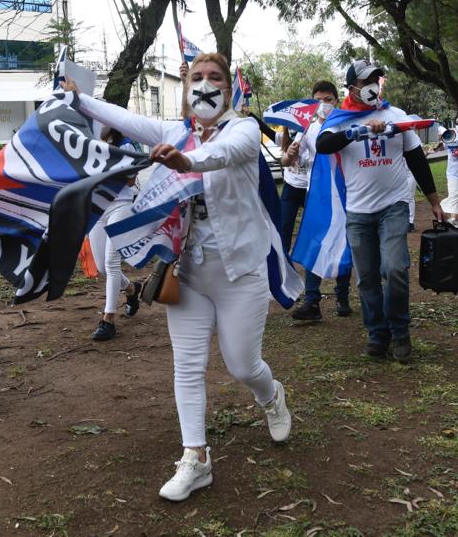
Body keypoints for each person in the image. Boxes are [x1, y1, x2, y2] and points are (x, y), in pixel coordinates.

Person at [63, 53, 291, 502]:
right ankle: (196, 458)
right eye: (196, 78)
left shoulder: (242, 128)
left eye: (215, 78)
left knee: (243, 364)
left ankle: (271, 397)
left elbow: (222, 154)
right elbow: (124, 117)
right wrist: (80, 99)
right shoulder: (173, 131)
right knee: (187, 366)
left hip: (240, 271)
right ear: (186, 88)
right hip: (185, 271)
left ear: (229, 89)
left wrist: (186, 163)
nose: (205, 84)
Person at [315, 61, 445, 361]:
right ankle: (377, 332)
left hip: (394, 206)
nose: (374, 84)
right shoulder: (340, 119)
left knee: (395, 269)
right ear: (352, 88)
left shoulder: (395, 116)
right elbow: (324, 144)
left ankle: (400, 330)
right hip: (358, 212)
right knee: (368, 277)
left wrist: (434, 201)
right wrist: (356, 132)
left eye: (377, 79)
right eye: (366, 80)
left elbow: (416, 159)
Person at [280, 81, 352, 321]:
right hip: (317, 195)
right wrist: (289, 155)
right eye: (318, 100)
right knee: (315, 243)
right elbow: (288, 162)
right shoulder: (306, 130)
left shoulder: (345, 122)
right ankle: (312, 301)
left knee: (343, 243)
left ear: (336, 100)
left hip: (345, 193)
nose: (323, 105)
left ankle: (343, 296)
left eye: (328, 99)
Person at [87, 127, 142, 341]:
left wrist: (108, 163)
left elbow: (129, 180)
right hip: (96, 206)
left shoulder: (126, 144)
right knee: (102, 267)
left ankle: (108, 320)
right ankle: (131, 289)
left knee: (111, 263)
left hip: (121, 205)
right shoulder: (88, 143)